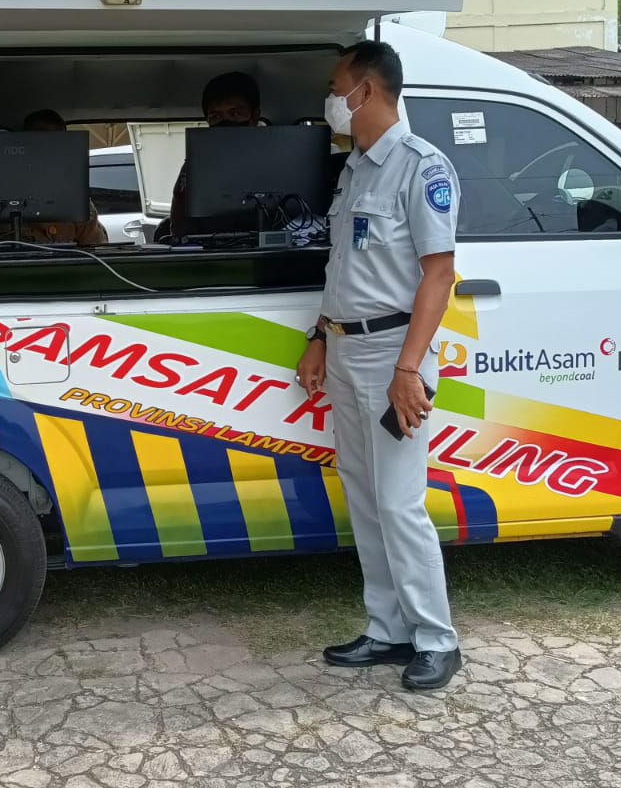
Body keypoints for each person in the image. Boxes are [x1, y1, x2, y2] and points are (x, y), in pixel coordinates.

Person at [295, 41, 463, 692]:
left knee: (399, 503)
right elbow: (345, 270)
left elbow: (439, 273)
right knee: (365, 501)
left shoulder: (421, 167)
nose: (330, 101)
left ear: (365, 90)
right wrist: (318, 336)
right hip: (345, 352)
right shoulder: (357, 168)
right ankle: (387, 629)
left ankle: (436, 640)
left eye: (335, 87)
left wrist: (408, 369)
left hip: (394, 359)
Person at [0, 109, 108, 245]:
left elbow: (98, 253)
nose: (45, 151)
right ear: (22, 145)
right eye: (38, 143)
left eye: (53, 144)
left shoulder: (76, 202)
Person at [163, 71, 262, 240]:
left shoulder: (274, 159)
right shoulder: (196, 163)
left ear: (254, 116)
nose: (225, 122)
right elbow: (179, 226)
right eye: (216, 116)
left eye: (235, 113)